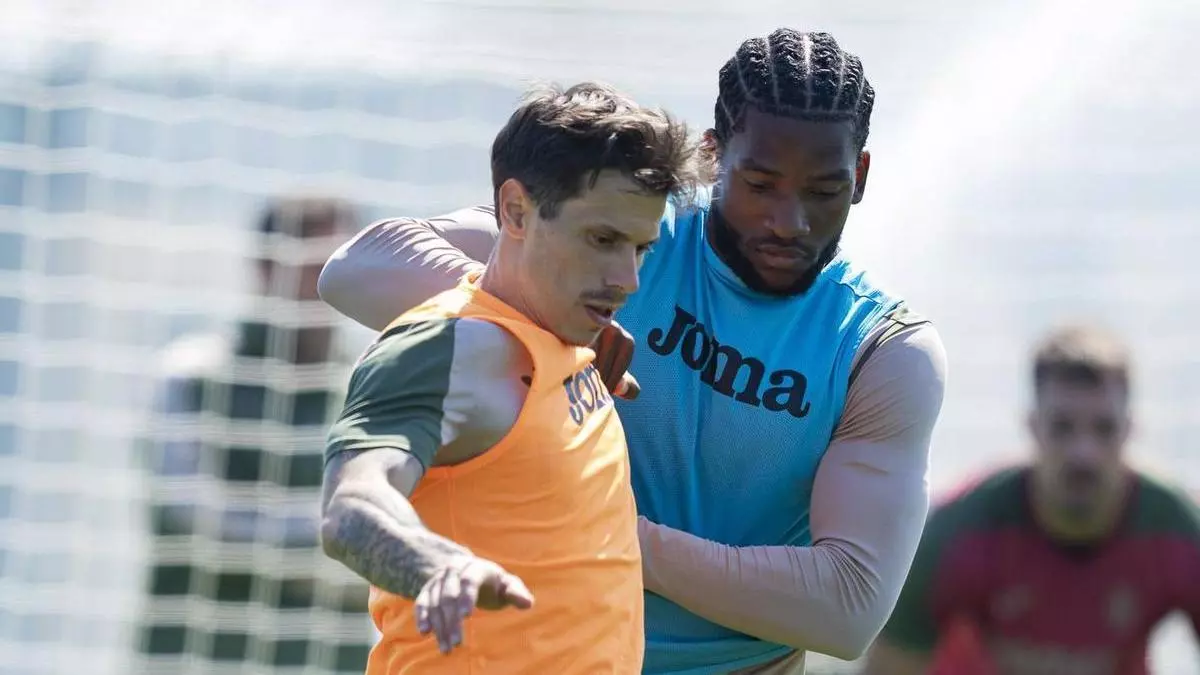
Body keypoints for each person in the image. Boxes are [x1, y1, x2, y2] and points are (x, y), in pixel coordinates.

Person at [317, 28, 948, 675]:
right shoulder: (626, 233)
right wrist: (543, 322)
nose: (789, 222)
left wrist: (606, 527)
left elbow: (847, 609)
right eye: (760, 185)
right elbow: (356, 266)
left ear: (859, 176)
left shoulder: (882, 349)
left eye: (823, 191)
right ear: (713, 155)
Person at [319, 81, 701, 674]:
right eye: (602, 240)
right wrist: (433, 564)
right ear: (516, 210)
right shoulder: (448, 346)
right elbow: (350, 507)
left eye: (640, 248)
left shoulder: (565, 336)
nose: (627, 279)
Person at [862, 324, 1200, 675]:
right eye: (1062, 427)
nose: (1083, 453)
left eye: (1104, 428)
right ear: (1033, 426)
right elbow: (889, 667)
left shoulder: (1177, 531)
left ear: (1129, 430)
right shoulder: (960, 530)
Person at [139, 196, 373, 673]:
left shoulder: (374, 388)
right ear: (266, 268)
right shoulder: (193, 376)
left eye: (346, 268)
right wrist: (329, 543)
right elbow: (186, 510)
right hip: (197, 656)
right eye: (315, 267)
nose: (331, 288)